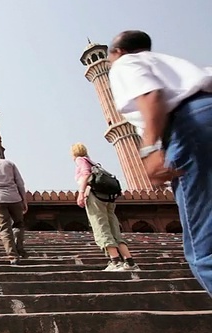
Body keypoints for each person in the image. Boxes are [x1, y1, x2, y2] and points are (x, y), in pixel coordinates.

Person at [108, 30, 212, 292]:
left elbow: (150, 95)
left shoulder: (125, 63)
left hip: (190, 126)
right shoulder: (181, 65)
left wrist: (151, 149)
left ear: (116, 52)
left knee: (205, 253)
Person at [72, 143, 140, 272]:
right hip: (108, 198)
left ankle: (115, 262)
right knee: (114, 229)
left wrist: (81, 193)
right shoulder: (93, 162)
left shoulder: (80, 160)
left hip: (95, 197)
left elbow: (86, 174)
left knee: (100, 226)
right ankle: (130, 262)